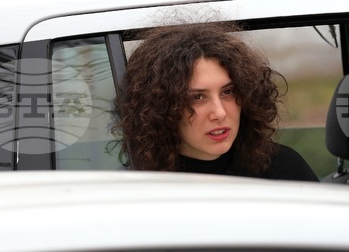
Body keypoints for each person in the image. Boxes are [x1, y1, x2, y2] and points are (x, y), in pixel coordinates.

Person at [113, 21, 318, 181]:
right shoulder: (136, 192)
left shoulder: (283, 169)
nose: (219, 113)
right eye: (197, 97)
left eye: (227, 91)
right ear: (161, 107)